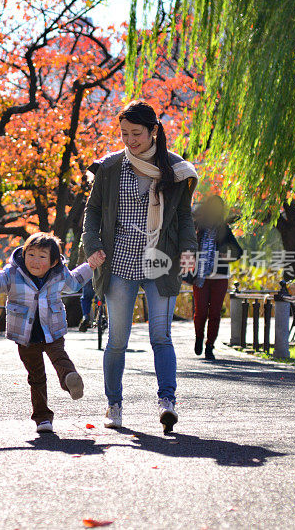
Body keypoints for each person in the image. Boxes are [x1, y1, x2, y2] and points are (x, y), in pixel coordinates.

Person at [82, 100, 198, 433]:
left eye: (136, 133)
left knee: (161, 336)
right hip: (118, 261)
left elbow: (183, 217)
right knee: (117, 339)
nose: (130, 140)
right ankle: (114, 404)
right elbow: (92, 213)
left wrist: (189, 252)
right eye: (124, 134)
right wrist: (93, 246)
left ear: (153, 132)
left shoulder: (175, 171)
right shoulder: (109, 167)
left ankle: (167, 402)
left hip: (161, 262)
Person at [0, 232, 95, 433]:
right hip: (26, 336)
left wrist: (90, 265)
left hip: (53, 330)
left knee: (60, 358)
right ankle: (42, 418)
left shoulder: (59, 274)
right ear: (24, 254)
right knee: (36, 376)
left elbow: (74, 283)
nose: (35, 261)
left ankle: (70, 380)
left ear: (53, 261)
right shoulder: (13, 274)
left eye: (42, 257)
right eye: (30, 254)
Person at [190, 195, 242, 361]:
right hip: (200, 276)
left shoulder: (224, 229)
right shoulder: (198, 227)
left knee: (214, 313)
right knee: (200, 312)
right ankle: (199, 338)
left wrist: (225, 255)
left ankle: (209, 346)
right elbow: (189, 246)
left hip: (220, 276)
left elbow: (238, 252)